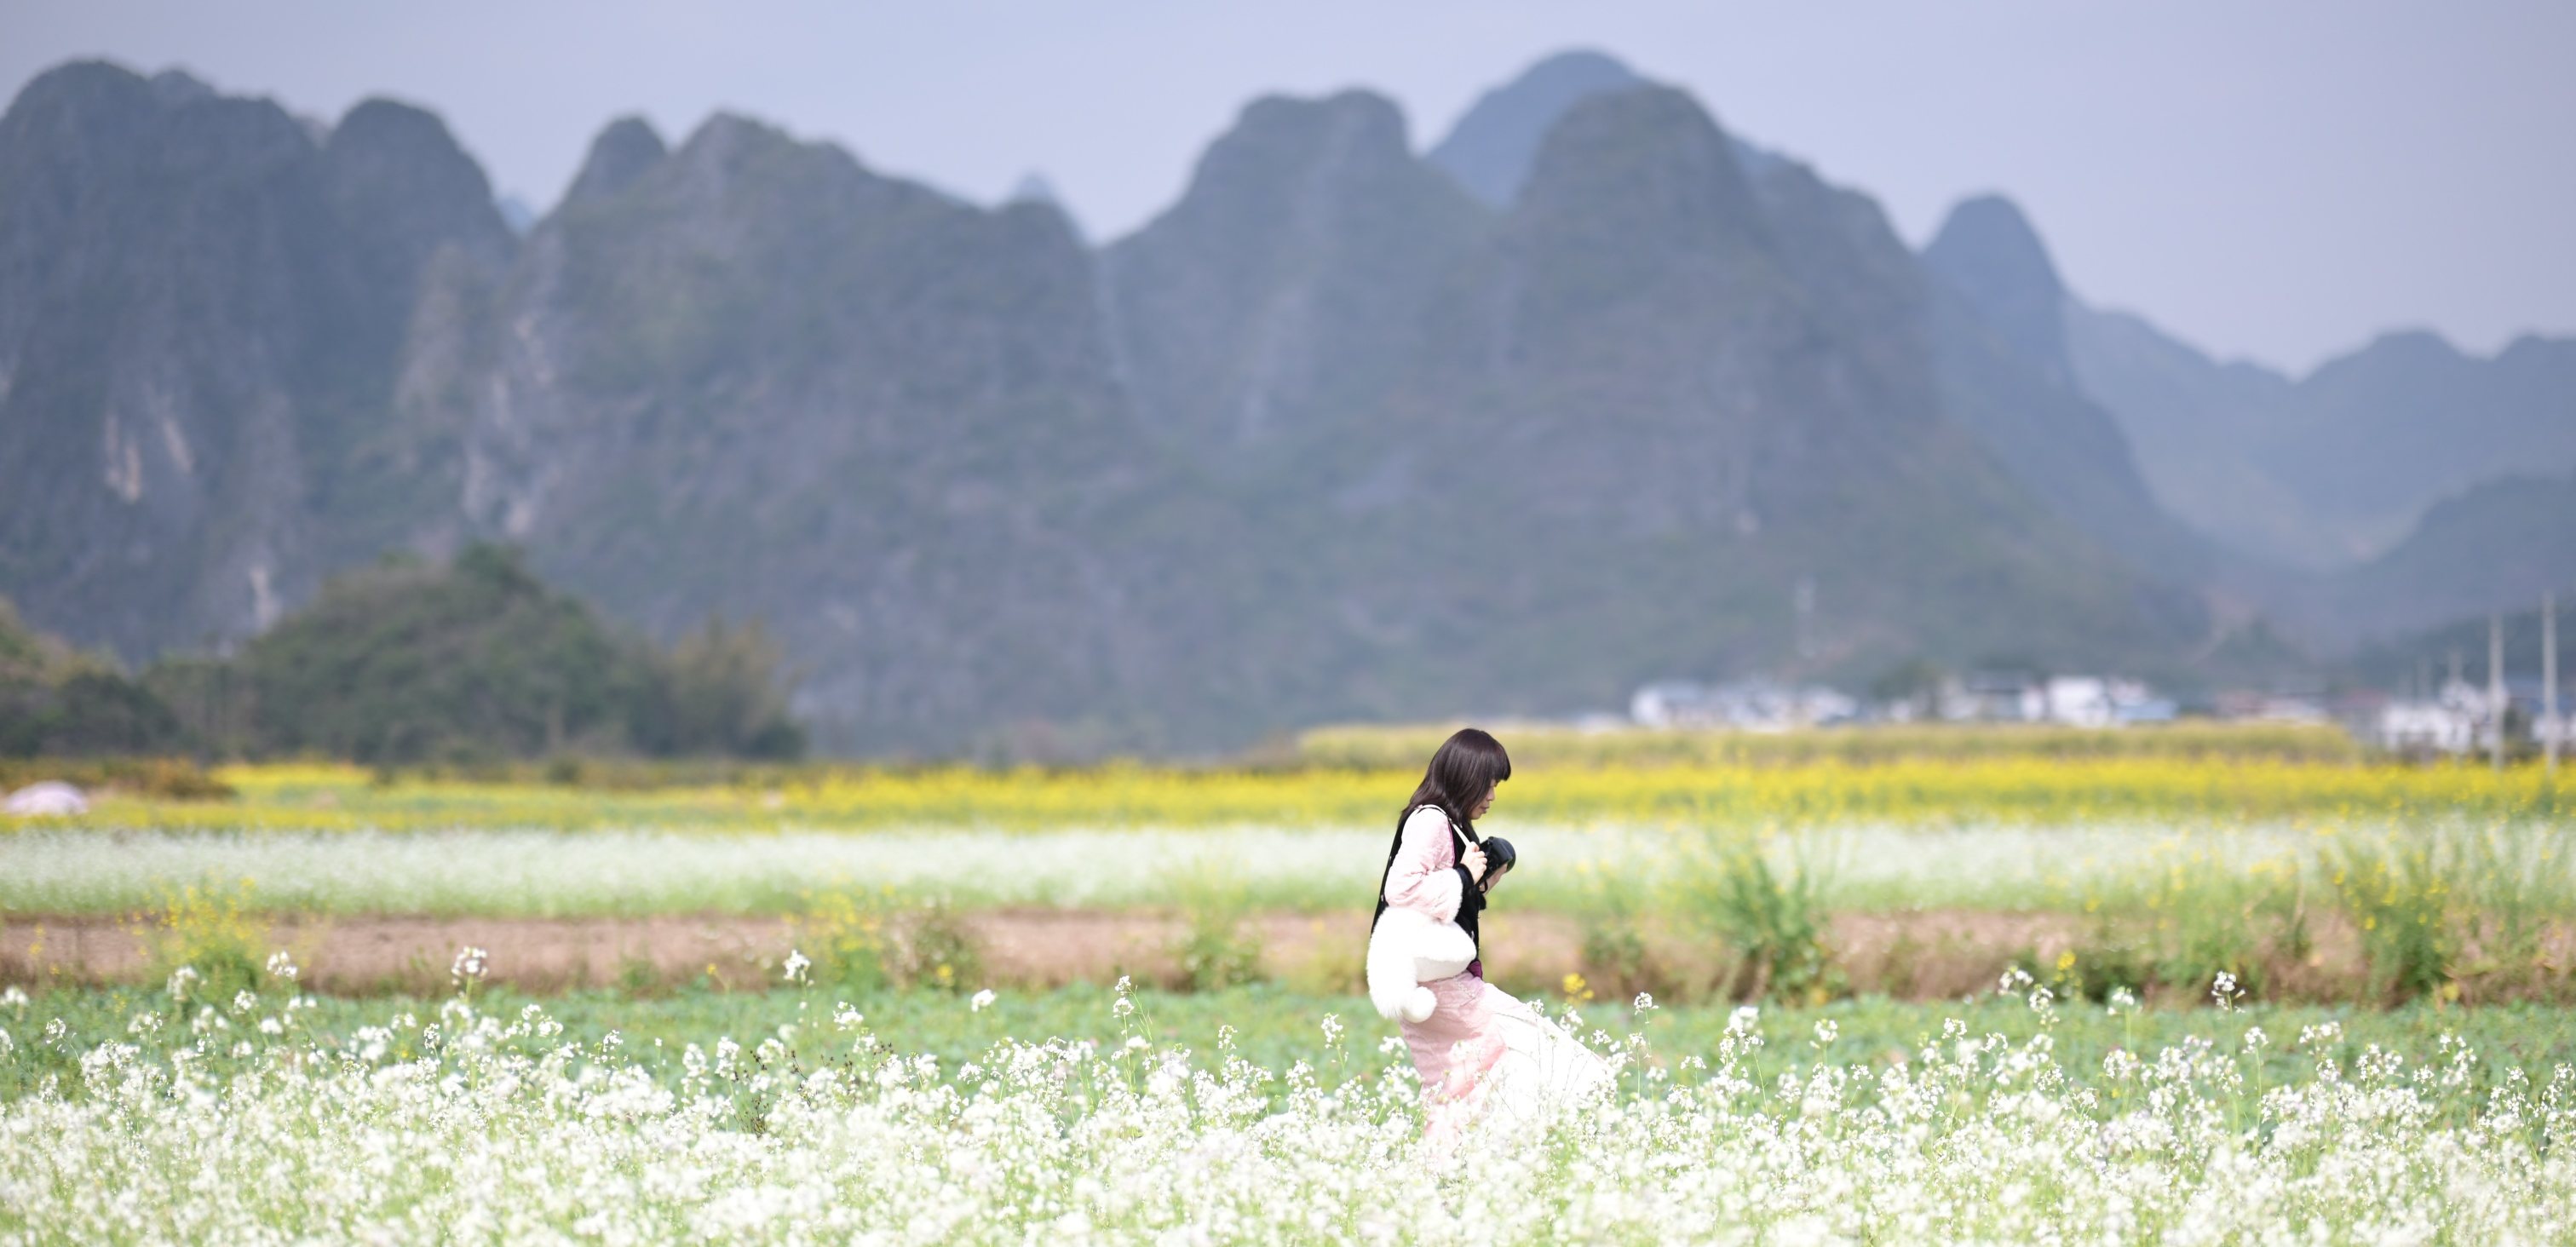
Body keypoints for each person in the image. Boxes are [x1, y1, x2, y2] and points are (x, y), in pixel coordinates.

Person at [1369, 727, 1608, 1141]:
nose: (1493, 795)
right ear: (1466, 776)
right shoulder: (1431, 821)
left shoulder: (1447, 824)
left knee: (1457, 1094)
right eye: (1489, 783)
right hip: (1445, 989)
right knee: (1561, 1063)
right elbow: (1401, 889)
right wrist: (1464, 873)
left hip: (1434, 986)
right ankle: (1504, 1153)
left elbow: (1445, 901)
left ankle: (1450, 1179)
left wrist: (1479, 881)